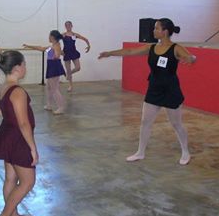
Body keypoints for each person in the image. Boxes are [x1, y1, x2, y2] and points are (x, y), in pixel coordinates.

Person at [98, 18, 196, 165]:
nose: (153, 31)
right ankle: (140, 152)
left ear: (165, 32)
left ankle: (185, 152)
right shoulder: (151, 47)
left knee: (176, 124)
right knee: (145, 122)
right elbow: (130, 51)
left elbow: (191, 57)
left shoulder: (175, 48)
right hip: (154, 89)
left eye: (157, 28)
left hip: (170, 90)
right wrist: (110, 53)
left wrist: (191, 59)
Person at [0, 50, 38, 216]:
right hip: (17, 140)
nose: (25, 67)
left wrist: (7, 116)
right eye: (24, 64)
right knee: (28, 181)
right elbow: (24, 123)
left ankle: (14, 214)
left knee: (11, 178)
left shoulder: (1, 87)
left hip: (6, 135)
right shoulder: (18, 92)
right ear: (17, 68)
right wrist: (33, 149)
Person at [23, 30, 66, 115]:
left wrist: (56, 56)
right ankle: (49, 105)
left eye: (49, 36)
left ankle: (61, 107)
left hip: (54, 66)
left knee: (54, 88)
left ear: (53, 37)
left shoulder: (56, 45)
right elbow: (42, 48)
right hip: (52, 65)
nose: (48, 37)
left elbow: (57, 54)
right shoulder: (52, 46)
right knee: (49, 87)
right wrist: (29, 46)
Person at [62, 21, 90, 92]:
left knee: (78, 68)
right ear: (65, 26)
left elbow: (85, 39)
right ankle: (70, 86)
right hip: (66, 53)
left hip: (73, 52)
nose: (68, 26)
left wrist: (88, 46)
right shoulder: (63, 35)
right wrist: (59, 51)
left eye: (69, 25)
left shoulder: (75, 35)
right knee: (68, 69)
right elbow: (55, 41)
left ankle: (68, 74)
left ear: (72, 26)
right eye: (66, 25)